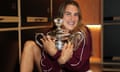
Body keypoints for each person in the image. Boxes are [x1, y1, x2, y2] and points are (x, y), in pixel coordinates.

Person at [20, 0, 92, 72]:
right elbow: (46, 68)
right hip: (55, 70)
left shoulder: (83, 32)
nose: (72, 19)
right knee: (29, 44)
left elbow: (77, 65)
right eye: (68, 14)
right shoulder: (51, 33)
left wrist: (55, 53)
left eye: (76, 14)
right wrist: (61, 60)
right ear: (60, 16)